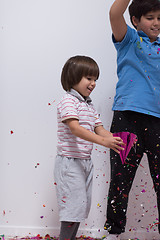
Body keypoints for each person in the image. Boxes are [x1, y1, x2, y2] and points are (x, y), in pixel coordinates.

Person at [104, 0, 160, 239]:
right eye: (150, 17)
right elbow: (115, 12)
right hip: (127, 120)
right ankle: (114, 233)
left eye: (159, 17)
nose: (156, 23)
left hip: (158, 123)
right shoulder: (128, 40)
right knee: (120, 179)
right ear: (136, 21)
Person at [54, 55, 125, 240]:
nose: (93, 83)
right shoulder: (68, 101)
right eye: (89, 78)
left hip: (85, 162)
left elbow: (99, 128)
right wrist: (104, 143)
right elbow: (75, 128)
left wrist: (117, 140)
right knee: (72, 208)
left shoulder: (88, 105)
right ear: (73, 77)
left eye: (95, 79)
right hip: (70, 163)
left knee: (79, 207)